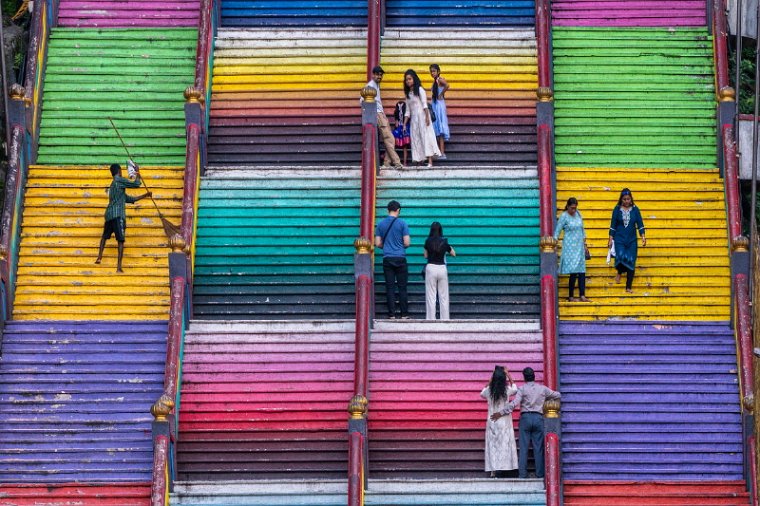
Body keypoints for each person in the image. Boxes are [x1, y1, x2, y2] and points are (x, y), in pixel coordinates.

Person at [491, 367, 560, 479]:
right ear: (534, 376)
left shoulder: (522, 389)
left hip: (525, 419)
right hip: (538, 418)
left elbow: (514, 403)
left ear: (524, 377)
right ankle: (539, 474)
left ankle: (522, 475)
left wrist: (501, 413)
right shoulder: (543, 389)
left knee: (523, 448)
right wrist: (546, 401)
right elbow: (557, 395)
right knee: (538, 448)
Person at [95, 163, 151, 273]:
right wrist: (138, 172)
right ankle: (119, 267)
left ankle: (99, 256)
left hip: (109, 215)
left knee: (104, 237)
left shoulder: (113, 185)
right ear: (119, 171)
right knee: (120, 240)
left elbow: (129, 199)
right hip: (118, 215)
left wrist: (145, 195)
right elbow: (136, 184)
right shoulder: (119, 180)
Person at [360, 65, 403, 169]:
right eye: (377, 75)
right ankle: (397, 163)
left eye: (381, 75)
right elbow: (361, 100)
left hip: (381, 114)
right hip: (378, 114)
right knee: (389, 138)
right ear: (373, 75)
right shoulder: (370, 86)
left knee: (391, 139)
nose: (379, 77)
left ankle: (387, 163)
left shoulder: (376, 85)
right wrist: (373, 113)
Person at [480, 366, 519, 478]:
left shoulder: (489, 391)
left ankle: (493, 470)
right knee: (504, 445)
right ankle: (504, 467)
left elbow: (481, 393)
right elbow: (515, 389)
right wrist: (508, 375)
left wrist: (491, 379)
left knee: (493, 446)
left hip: (492, 421)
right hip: (504, 421)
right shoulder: (506, 390)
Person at [375, 200, 411, 319]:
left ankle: (391, 315)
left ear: (387, 210)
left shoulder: (380, 224)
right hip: (400, 258)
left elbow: (377, 243)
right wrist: (400, 246)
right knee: (402, 287)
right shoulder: (402, 223)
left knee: (389, 287)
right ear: (398, 210)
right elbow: (407, 242)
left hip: (387, 258)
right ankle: (404, 314)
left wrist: (387, 246)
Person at [608, 188, 646, 293]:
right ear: (621, 199)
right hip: (619, 238)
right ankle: (619, 272)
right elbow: (613, 225)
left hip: (632, 240)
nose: (626, 201)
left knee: (631, 260)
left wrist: (643, 236)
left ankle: (628, 287)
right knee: (620, 257)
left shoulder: (635, 210)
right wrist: (610, 239)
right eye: (624, 199)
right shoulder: (617, 209)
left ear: (631, 199)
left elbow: (640, 224)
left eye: (628, 199)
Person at [402, 69, 441, 167]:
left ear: (414, 79)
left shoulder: (419, 90)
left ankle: (430, 161)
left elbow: (425, 105)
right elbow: (407, 111)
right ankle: (419, 161)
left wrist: (427, 117)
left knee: (426, 137)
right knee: (416, 139)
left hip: (423, 117)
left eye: (410, 79)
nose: (408, 81)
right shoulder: (408, 94)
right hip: (414, 120)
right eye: (406, 80)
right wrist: (404, 124)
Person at [554, 197, 590, 302]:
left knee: (582, 270)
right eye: (572, 208)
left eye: (575, 208)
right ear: (568, 206)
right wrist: (554, 242)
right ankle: (571, 296)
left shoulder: (578, 214)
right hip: (570, 247)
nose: (574, 210)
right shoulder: (564, 216)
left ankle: (582, 295)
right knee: (573, 271)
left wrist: (585, 244)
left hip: (579, 246)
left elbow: (582, 230)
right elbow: (558, 230)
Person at [423, 221, 456, 320]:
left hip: (431, 268)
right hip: (442, 268)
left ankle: (430, 320)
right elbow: (454, 253)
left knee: (431, 296)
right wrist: (446, 247)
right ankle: (445, 320)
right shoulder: (444, 241)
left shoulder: (427, 241)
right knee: (444, 296)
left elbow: (425, 256)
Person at [429, 64, 450, 159]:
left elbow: (447, 85)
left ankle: (442, 152)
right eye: (431, 71)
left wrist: (441, 94)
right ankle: (439, 152)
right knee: (437, 128)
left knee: (440, 128)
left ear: (438, 71)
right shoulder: (435, 81)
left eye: (434, 71)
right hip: (435, 105)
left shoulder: (439, 79)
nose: (432, 73)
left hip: (439, 105)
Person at [392, 100, 410, 166]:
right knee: (404, 147)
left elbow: (396, 124)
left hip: (401, 128)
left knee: (394, 144)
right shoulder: (406, 112)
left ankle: (395, 161)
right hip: (405, 128)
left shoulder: (397, 112)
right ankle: (404, 163)